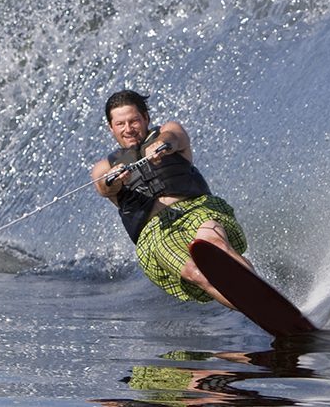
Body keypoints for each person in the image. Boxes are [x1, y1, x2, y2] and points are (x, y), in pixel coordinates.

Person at [90, 90, 253, 309]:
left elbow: (174, 137)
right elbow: (103, 186)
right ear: (111, 128)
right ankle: (255, 309)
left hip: (196, 209)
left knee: (215, 245)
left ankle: (267, 297)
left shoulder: (168, 132)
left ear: (146, 118)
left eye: (134, 121)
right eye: (120, 124)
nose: (128, 129)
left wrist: (162, 145)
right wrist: (114, 179)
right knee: (196, 273)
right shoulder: (104, 167)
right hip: (156, 233)